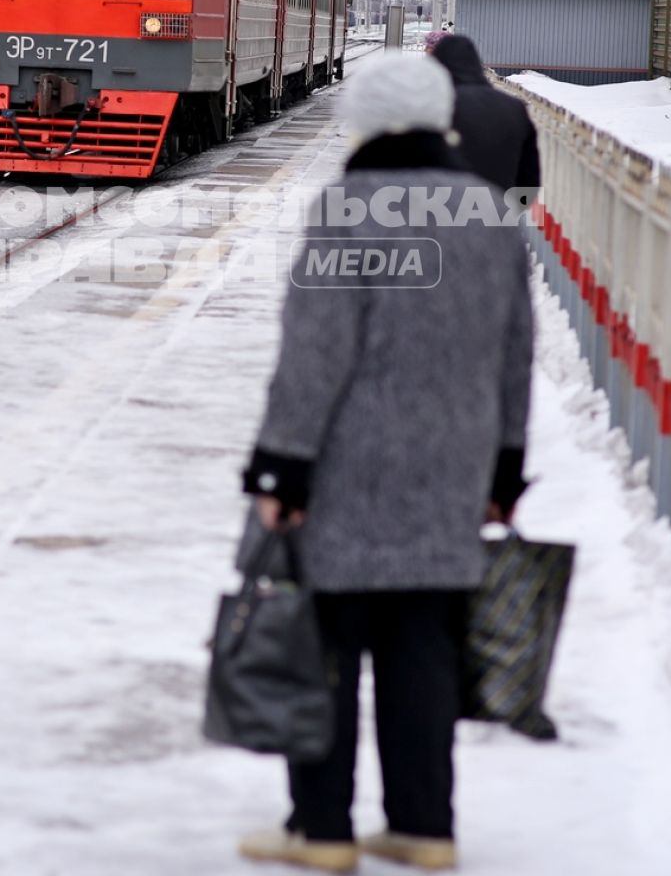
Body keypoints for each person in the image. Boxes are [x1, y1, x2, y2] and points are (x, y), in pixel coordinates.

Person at [237, 53, 534, 873]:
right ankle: (423, 826)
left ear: (362, 123)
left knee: (325, 647)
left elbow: (316, 353)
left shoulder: (348, 208)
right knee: (422, 646)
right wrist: (506, 469)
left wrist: (281, 466)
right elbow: (516, 351)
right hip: (454, 466)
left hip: (348, 468)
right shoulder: (488, 210)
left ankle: (322, 830)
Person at [427, 33, 542, 196]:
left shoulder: (430, 104)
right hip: (497, 210)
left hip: (437, 207)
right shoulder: (514, 108)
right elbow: (530, 177)